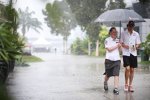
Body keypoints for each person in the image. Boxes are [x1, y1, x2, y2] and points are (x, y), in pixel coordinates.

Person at [120, 20, 141, 92]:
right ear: (127, 26)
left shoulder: (136, 34)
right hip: (126, 53)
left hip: (133, 53)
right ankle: (126, 84)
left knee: (132, 69)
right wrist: (126, 46)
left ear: (133, 26)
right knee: (127, 68)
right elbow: (121, 43)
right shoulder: (123, 33)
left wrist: (136, 47)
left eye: (132, 26)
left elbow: (138, 43)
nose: (130, 27)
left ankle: (130, 85)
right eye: (129, 26)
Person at [103, 27, 121, 95]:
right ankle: (105, 82)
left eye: (115, 32)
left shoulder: (118, 40)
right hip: (109, 60)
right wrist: (117, 45)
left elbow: (120, 51)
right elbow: (109, 49)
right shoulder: (107, 40)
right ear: (110, 32)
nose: (114, 33)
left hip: (117, 60)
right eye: (113, 32)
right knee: (108, 74)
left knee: (116, 74)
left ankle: (115, 88)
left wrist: (120, 46)